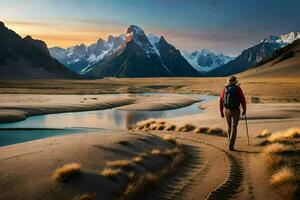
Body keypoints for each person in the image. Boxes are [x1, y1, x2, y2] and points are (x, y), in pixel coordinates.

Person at [219, 76, 246, 151]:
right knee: (234, 127)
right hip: (236, 110)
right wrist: (244, 109)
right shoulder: (238, 88)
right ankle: (231, 144)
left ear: (228, 81)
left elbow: (221, 101)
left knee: (229, 127)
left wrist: (221, 111)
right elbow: (242, 99)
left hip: (227, 110)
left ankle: (229, 142)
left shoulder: (225, 89)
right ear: (235, 81)